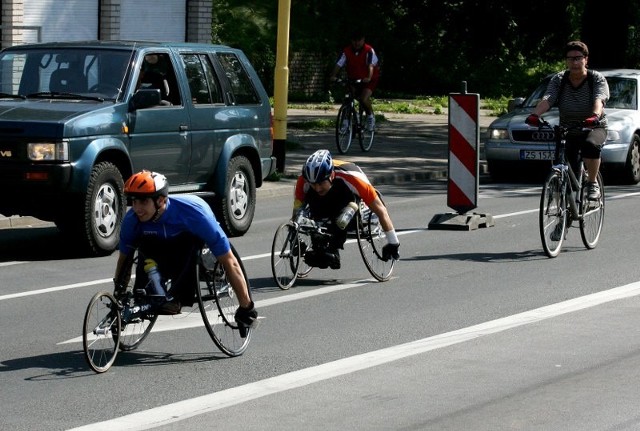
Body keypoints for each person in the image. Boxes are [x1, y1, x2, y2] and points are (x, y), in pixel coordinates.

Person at [113, 170, 257, 334]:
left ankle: (178, 297)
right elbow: (124, 259)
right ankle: (148, 294)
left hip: (188, 242)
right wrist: (118, 296)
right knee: (143, 246)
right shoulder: (132, 221)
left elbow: (230, 261)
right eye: (134, 201)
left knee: (191, 246)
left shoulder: (195, 215)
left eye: (143, 202)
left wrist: (246, 306)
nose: (137, 208)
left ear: (160, 200)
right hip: (157, 246)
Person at [525, 40, 609, 201]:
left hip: (594, 126)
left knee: (591, 145)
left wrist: (595, 116)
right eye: (570, 58)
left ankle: (592, 183)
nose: (575, 62)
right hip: (568, 128)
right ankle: (562, 211)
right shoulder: (559, 79)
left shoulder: (596, 79)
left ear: (586, 59)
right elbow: (548, 99)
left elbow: (600, 99)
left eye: (578, 58)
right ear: (566, 60)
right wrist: (535, 115)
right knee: (561, 165)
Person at [293, 149, 399, 269]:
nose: (317, 188)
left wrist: (393, 243)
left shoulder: (354, 178)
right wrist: (294, 238)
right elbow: (297, 211)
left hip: (348, 201)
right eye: (313, 184)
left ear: (331, 175)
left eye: (321, 183)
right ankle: (319, 245)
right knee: (309, 206)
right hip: (322, 202)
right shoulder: (304, 180)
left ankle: (334, 248)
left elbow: (381, 210)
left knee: (342, 218)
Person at [329, 30, 380, 131]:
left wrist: (368, 77)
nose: (356, 43)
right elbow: (339, 64)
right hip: (353, 78)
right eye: (354, 40)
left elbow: (370, 66)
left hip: (369, 79)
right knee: (347, 99)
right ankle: (345, 122)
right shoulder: (346, 51)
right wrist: (333, 76)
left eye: (359, 40)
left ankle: (370, 116)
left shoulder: (369, 50)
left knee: (363, 99)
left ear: (363, 40)